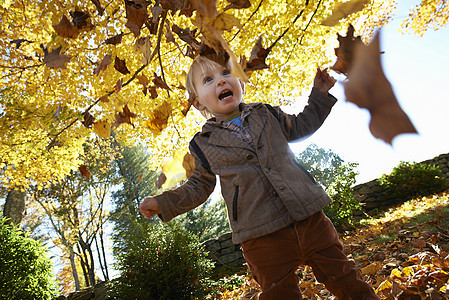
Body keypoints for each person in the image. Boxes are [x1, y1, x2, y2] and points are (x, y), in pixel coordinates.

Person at [139, 55, 379, 299]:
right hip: (260, 235)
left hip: (308, 218)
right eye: (209, 79)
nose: (221, 82)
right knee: (279, 294)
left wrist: (318, 94)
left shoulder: (266, 113)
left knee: (346, 278)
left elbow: (300, 126)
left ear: (241, 84)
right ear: (198, 102)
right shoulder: (203, 144)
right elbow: (198, 187)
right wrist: (163, 203)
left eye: (226, 73)